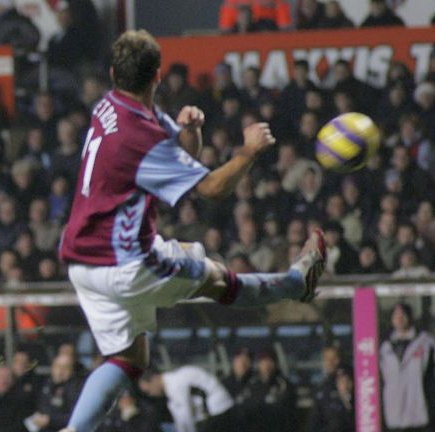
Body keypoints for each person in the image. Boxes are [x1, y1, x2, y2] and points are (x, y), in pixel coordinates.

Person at [57, 30, 326, 432]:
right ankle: (294, 283)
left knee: (130, 359)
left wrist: (191, 132)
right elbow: (211, 189)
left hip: (82, 263)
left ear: (114, 74)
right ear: (158, 76)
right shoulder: (142, 138)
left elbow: (175, 157)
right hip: (125, 264)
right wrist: (249, 151)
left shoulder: (107, 107)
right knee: (215, 276)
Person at [380, 303, 435, 431]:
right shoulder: (384, 347)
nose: (399, 318)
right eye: (396, 315)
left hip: (421, 417)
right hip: (394, 418)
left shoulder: (426, 342)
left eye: (403, 315)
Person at [138, 366, 235, 432]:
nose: (151, 394)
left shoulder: (174, 385)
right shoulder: (174, 380)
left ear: (154, 379)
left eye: (148, 391)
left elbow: (185, 416)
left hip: (219, 409)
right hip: (219, 409)